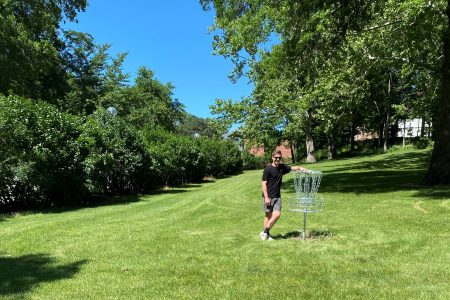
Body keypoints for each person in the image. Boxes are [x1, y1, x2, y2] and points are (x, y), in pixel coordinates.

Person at [260, 149, 309, 241]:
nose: (278, 159)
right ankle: (266, 235)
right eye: (276, 157)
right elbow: (263, 183)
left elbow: (294, 168)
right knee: (268, 216)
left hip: (277, 196)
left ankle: (265, 232)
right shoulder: (268, 169)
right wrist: (266, 197)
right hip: (268, 197)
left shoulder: (282, 168)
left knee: (277, 214)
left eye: (279, 158)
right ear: (272, 157)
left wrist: (304, 169)